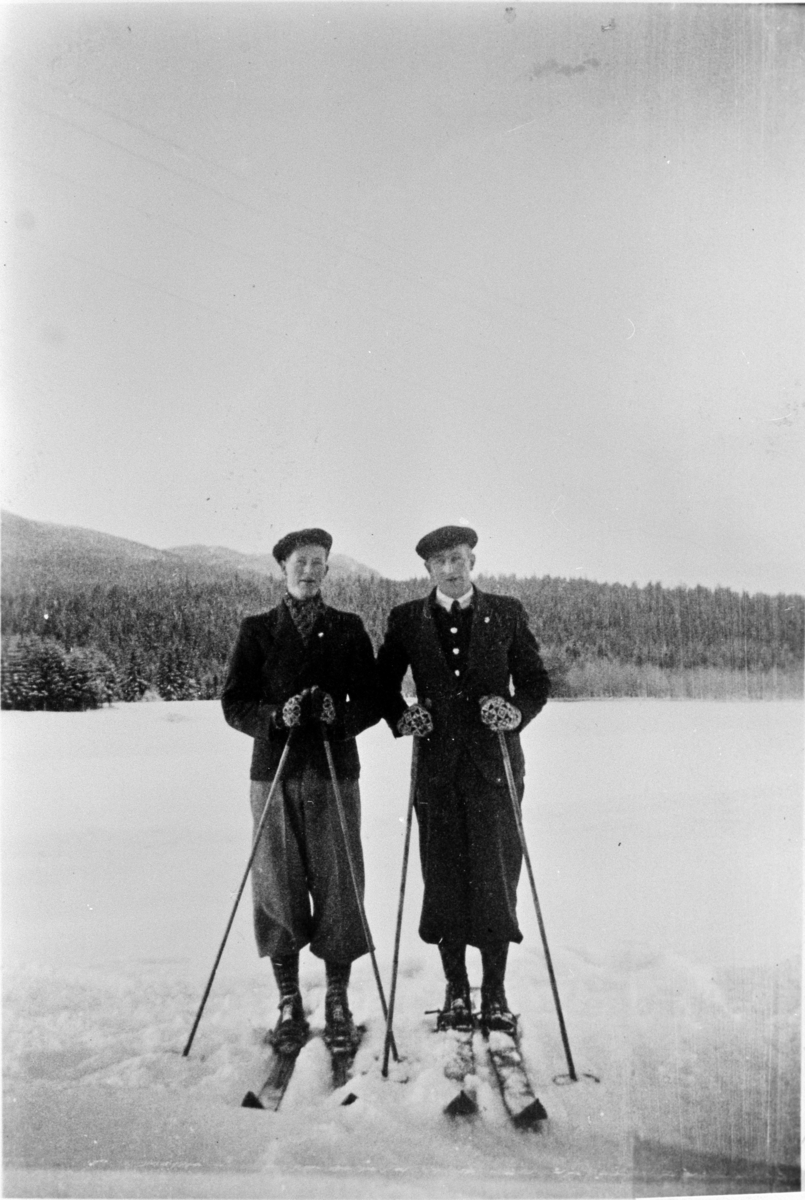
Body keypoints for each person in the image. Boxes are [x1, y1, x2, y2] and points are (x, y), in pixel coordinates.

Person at [376, 525, 551, 1036]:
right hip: (435, 770)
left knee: (496, 875)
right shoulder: (407, 619)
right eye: (438, 563)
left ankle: (494, 992)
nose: (449, 569)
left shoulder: (508, 612)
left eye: (457, 558)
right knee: (444, 877)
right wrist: (402, 715)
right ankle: (455, 988)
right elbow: (381, 684)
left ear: (472, 559)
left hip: (494, 767)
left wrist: (515, 711)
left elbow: (536, 682)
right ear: (427, 570)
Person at [221, 528, 380, 1053]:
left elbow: (374, 699)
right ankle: (289, 1000)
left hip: (333, 769)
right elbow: (234, 703)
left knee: (340, 882)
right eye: (299, 562)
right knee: (277, 882)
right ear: (282, 569)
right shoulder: (257, 630)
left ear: (328, 570)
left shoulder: (349, 628)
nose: (308, 570)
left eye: (318, 562)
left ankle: (337, 998)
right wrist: (274, 716)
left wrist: (343, 715)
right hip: (275, 771)